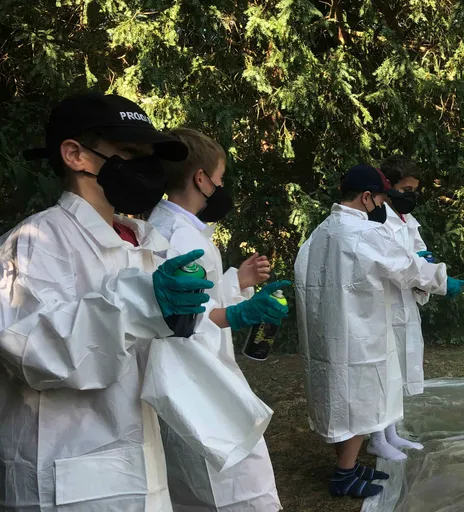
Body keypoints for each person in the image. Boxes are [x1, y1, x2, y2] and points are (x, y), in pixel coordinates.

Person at [1, 91, 213, 510]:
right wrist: (139, 304)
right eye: (130, 153)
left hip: (140, 462)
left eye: (150, 156)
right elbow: (33, 351)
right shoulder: (32, 245)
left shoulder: (144, 241)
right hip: (66, 472)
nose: (147, 169)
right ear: (75, 155)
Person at [294, 164, 464, 498]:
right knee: (358, 404)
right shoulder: (362, 233)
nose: (381, 207)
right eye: (378, 199)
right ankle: (343, 474)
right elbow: (406, 267)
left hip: (332, 334)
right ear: (366, 197)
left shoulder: (320, 233)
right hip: (360, 331)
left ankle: (348, 466)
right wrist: (443, 280)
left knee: (346, 401)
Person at [148, 128, 285, 511]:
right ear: (201, 178)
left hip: (192, 375)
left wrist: (236, 281)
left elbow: (198, 296)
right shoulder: (179, 237)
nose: (221, 188)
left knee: (198, 483)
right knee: (240, 486)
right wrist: (241, 313)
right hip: (197, 376)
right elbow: (183, 318)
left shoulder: (173, 227)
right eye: (220, 179)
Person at [366, 156, 464, 461]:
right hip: (383, 303)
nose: (411, 195)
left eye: (415, 189)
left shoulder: (407, 220)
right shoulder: (376, 219)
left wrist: (426, 269)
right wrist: (436, 278)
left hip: (404, 302)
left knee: (398, 366)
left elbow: (416, 260)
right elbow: (399, 264)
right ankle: (377, 436)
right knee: (383, 369)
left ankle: (391, 433)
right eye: (406, 188)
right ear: (389, 186)